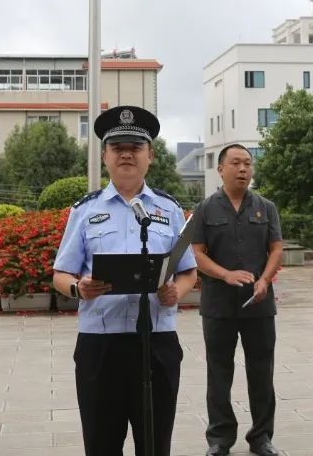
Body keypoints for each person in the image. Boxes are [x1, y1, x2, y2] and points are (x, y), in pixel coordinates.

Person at [52, 106, 198, 456]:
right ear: (105, 156)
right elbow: (60, 273)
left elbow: (189, 270)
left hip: (157, 341)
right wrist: (78, 288)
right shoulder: (85, 210)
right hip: (101, 345)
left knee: (154, 443)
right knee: (101, 444)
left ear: (149, 156)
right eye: (118, 148)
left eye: (135, 147)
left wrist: (176, 291)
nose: (127, 154)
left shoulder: (169, 209)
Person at [192, 144, 283, 456]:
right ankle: (219, 439)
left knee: (262, 372)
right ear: (221, 169)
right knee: (219, 372)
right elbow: (197, 254)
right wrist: (225, 274)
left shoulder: (266, 207)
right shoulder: (205, 208)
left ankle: (261, 437)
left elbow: (276, 249)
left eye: (248, 163)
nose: (243, 169)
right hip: (218, 305)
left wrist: (265, 280)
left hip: (259, 304)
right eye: (236, 163)